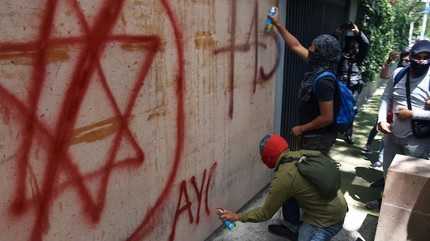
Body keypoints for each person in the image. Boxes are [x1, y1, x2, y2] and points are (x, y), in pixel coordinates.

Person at [217, 134, 348, 241]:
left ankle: (300, 229)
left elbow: (264, 213)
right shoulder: (301, 154)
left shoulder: (283, 178)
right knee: (286, 194)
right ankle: (293, 227)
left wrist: (237, 216)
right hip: (337, 204)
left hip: (327, 222)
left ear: (268, 158)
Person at [367, 40, 430, 210]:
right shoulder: (399, 74)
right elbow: (387, 97)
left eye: (426, 57)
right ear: (411, 57)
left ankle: (403, 213)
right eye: (418, 57)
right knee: (389, 174)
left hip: (417, 140)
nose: (422, 61)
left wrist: (413, 114)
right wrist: (381, 120)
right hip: (393, 135)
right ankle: (384, 204)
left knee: (412, 180)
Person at [269, 15, 341, 155]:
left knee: (311, 171)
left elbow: (327, 118)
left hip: (318, 138)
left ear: (322, 53)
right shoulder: (318, 63)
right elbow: (295, 45)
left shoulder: (324, 82)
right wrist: (277, 24)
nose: (309, 49)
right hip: (312, 135)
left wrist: (302, 129)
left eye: (313, 48)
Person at [337, 23, 370, 144]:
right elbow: (333, 45)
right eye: (351, 45)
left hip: (353, 85)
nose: (353, 48)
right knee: (336, 106)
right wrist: (338, 33)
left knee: (351, 108)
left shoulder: (358, 58)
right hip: (340, 84)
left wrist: (358, 33)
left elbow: (365, 45)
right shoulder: (341, 55)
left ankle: (348, 132)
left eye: (355, 46)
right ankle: (337, 129)